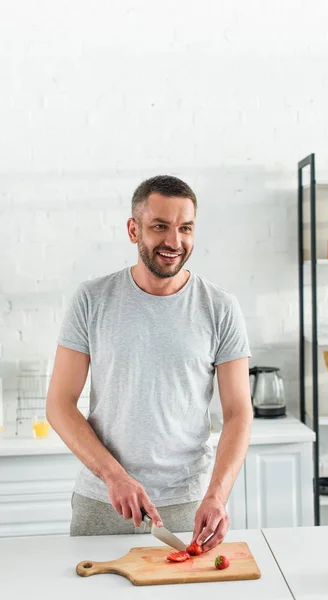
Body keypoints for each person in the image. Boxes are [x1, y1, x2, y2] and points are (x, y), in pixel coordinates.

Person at [46, 175, 253, 551]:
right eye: (160, 226)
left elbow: (238, 412)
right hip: (102, 503)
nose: (174, 242)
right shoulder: (92, 300)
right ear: (133, 229)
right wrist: (114, 476)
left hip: (187, 507)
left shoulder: (220, 307)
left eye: (185, 228)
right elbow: (59, 404)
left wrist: (217, 495)